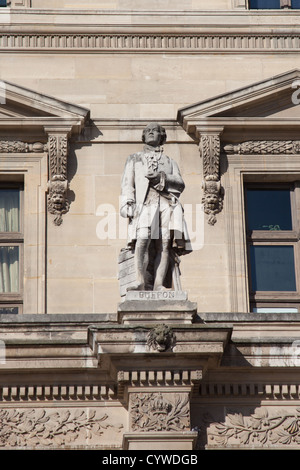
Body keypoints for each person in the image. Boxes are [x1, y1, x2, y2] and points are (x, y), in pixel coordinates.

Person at [120, 123, 191, 292]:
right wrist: (127, 202)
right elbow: (127, 184)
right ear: (143, 136)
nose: (151, 132)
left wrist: (162, 177)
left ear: (162, 136)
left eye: (155, 130)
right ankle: (140, 280)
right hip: (145, 203)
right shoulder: (134, 158)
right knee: (142, 238)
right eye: (147, 131)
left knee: (164, 243)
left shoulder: (169, 161)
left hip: (166, 203)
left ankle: (159, 284)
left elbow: (180, 183)